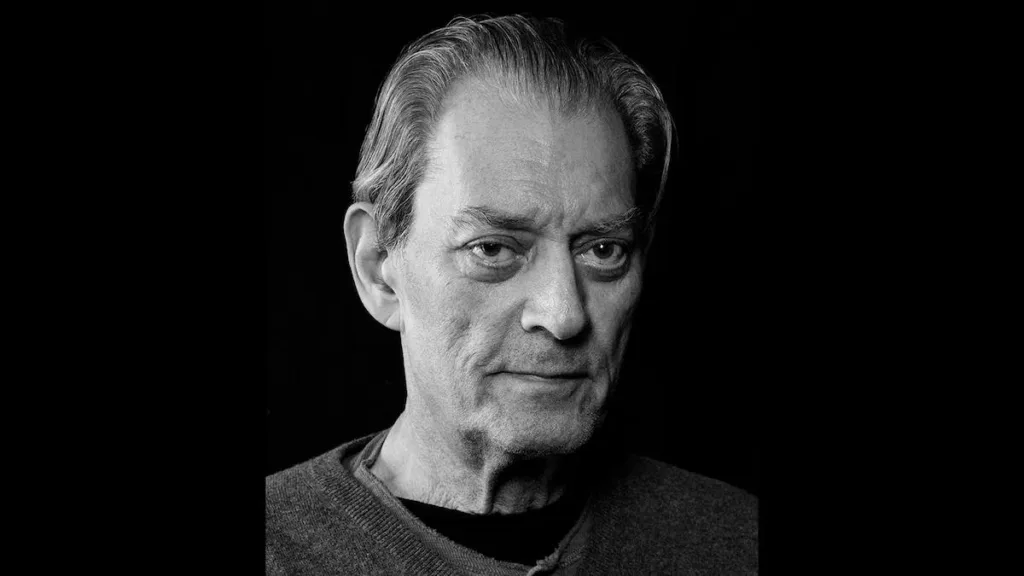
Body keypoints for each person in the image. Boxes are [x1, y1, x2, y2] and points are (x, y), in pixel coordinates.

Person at [266, 14, 757, 575]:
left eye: (603, 250)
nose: (564, 315)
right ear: (378, 268)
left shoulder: (738, 544)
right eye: (493, 249)